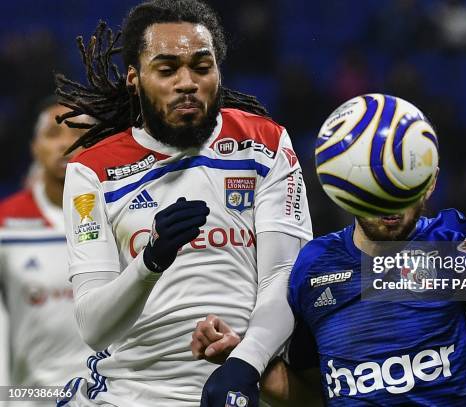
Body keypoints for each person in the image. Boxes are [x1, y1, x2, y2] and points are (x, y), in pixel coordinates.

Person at [192, 107, 466, 407]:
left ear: (430, 183)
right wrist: (243, 354)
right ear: (344, 188)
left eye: (401, 190)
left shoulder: (456, 243)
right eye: (375, 191)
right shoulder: (313, 268)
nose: (390, 208)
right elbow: (316, 397)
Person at [54, 1, 312, 406]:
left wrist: (245, 361)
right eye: (168, 68)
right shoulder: (92, 171)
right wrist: (150, 261)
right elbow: (94, 327)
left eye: (201, 66)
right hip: (132, 394)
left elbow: (281, 276)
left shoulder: (263, 143)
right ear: (135, 79)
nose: (187, 82)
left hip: (240, 383)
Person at [0, 98, 93, 405]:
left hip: (107, 395)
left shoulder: (122, 216)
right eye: (53, 135)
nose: (66, 144)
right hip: (30, 397)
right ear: (35, 148)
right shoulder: (5, 225)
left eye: (78, 134)